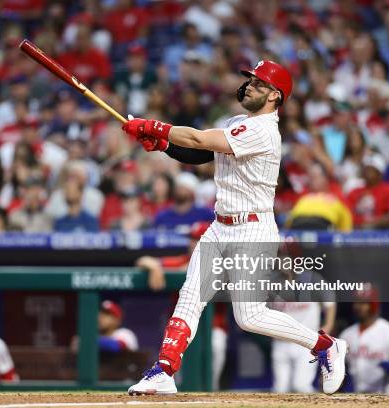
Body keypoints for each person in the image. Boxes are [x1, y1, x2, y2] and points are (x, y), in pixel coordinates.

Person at [122, 60, 347, 395]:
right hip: (220, 225)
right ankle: (164, 371)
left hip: (253, 231)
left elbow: (198, 139)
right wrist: (165, 145)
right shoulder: (238, 123)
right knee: (189, 298)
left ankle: (325, 344)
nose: (251, 86)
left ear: (274, 95)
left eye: (259, 83)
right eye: (251, 81)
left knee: (250, 317)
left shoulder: (263, 130)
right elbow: (200, 155)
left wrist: (154, 127)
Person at [135, 222, 229, 391]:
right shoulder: (182, 261)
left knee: (217, 344)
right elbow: (142, 260)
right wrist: (154, 266)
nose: (194, 244)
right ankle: (171, 387)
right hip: (182, 329)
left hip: (213, 328)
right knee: (174, 359)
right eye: (192, 239)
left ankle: (212, 390)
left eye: (198, 239)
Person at [268, 244, 337, 393]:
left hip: (306, 341)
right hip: (281, 342)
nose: (282, 261)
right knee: (280, 389)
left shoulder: (311, 278)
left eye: (286, 257)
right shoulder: (271, 280)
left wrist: (328, 326)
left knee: (301, 386)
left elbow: (329, 302)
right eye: (279, 257)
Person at [339, 288, 389, 393]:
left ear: (374, 305)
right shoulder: (346, 335)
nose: (358, 306)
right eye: (356, 302)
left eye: (363, 303)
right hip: (358, 394)